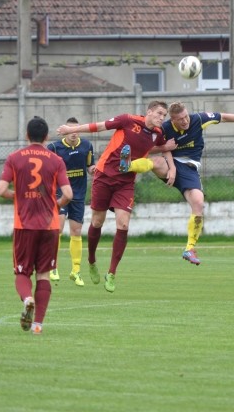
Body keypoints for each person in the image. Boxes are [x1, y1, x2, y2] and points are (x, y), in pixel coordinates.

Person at [121, 101, 234, 265]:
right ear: (172, 120)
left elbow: (223, 117)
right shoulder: (164, 128)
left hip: (189, 169)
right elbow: (149, 147)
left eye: (185, 116)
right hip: (171, 164)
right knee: (157, 162)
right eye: (180, 119)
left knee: (198, 203)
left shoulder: (198, 119)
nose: (185, 121)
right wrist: (166, 149)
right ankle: (127, 166)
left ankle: (190, 248)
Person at [56, 100, 173, 293]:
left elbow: (164, 147)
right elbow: (99, 126)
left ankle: (111, 273)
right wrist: (72, 129)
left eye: (164, 115)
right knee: (97, 221)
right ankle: (91, 260)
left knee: (123, 224)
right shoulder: (128, 120)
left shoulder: (158, 134)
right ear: (149, 112)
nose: (162, 118)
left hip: (125, 182)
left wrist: (172, 168)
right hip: (104, 175)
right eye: (159, 113)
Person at [0, 116, 73, 335]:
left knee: (22, 272)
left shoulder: (14, 158)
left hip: (24, 225)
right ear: (46, 136)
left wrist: (19, 196)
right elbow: (68, 194)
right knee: (44, 275)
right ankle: (38, 325)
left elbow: (1, 190)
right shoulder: (56, 160)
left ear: (27, 135)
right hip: (49, 226)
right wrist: (55, 204)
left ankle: (27, 299)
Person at [46, 117, 96, 286]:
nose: (74, 133)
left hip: (78, 194)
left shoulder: (87, 146)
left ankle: (76, 271)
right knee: (58, 228)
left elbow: (89, 166)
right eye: (70, 130)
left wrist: (93, 169)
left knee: (76, 231)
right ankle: (52, 266)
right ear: (64, 131)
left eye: (77, 130)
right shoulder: (54, 148)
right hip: (59, 193)